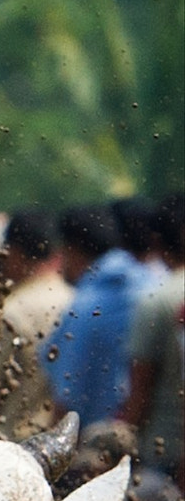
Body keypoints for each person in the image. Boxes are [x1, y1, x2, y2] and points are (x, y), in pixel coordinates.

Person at [41, 204, 147, 430]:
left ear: (72, 249)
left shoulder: (86, 305)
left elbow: (67, 394)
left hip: (94, 444)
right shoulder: (149, 284)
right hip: (147, 440)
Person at [0, 206, 71, 437]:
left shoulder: (12, 310)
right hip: (56, 444)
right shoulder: (75, 301)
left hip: (10, 444)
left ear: (14, 252)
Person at [121, 191, 185, 480]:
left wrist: (115, 452)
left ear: (157, 241)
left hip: (165, 458)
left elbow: (140, 394)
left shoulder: (158, 301)